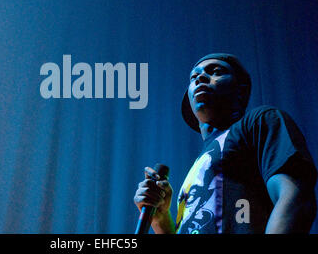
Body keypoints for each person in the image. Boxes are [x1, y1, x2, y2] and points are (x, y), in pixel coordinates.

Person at [134, 53, 317, 234]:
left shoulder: (258, 122)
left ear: (241, 90)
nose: (201, 78)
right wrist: (160, 217)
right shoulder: (198, 167)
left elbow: (295, 198)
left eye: (215, 71)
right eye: (194, 77)